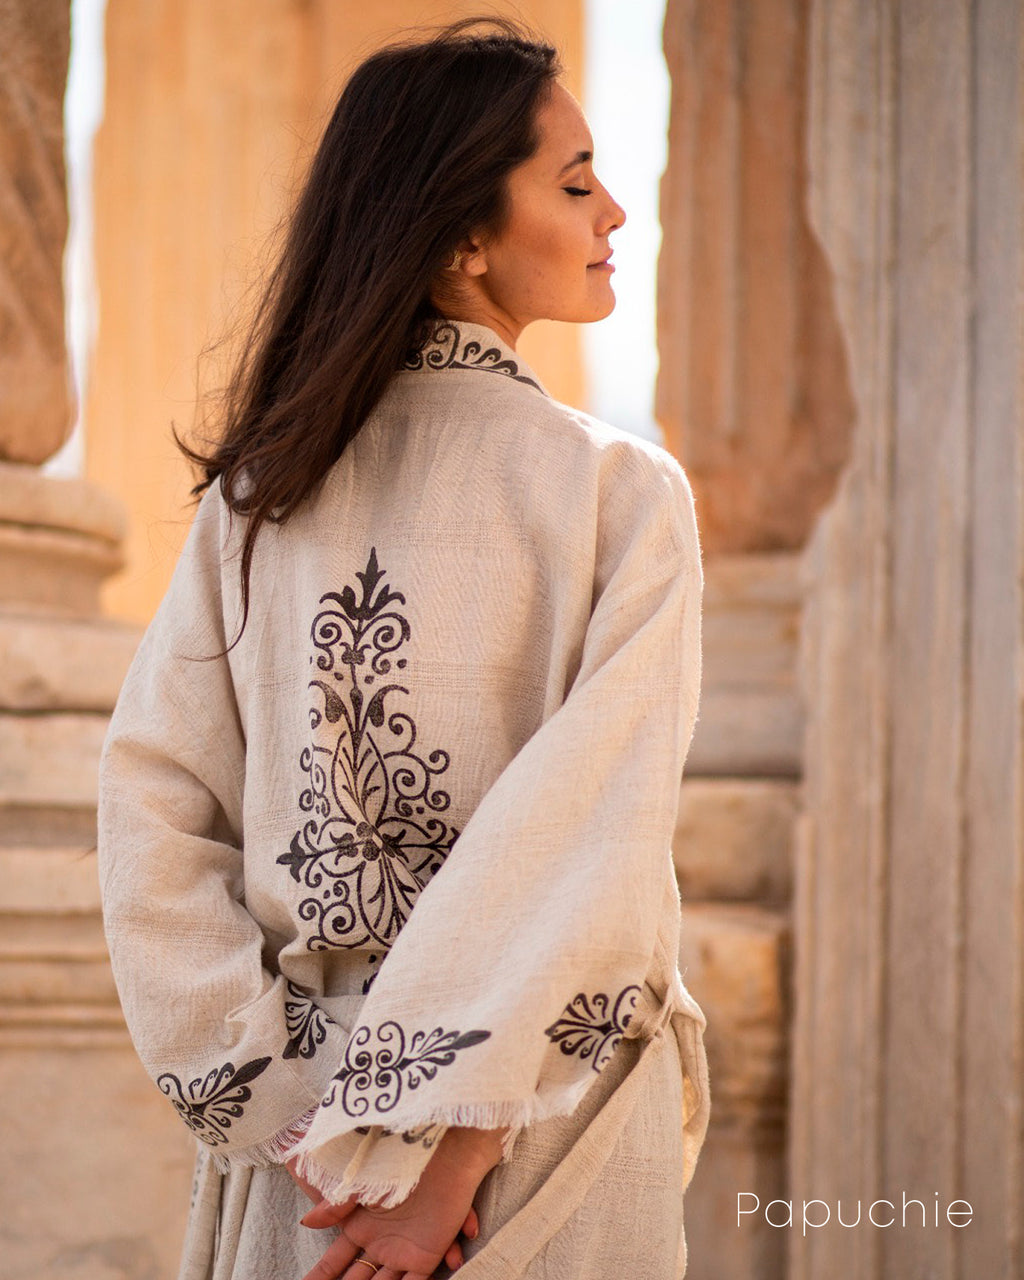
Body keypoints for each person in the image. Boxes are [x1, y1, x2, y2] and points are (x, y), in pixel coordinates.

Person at [96, 16, 710, 1280]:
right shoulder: (618, 494)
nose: (615, 212)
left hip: (308, 1155)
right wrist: (440, 1161)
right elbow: (594, 844)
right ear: (461, 236)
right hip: (537, 1131)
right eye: (576, 183)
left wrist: (292, 1116)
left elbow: (150, 807)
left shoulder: (259, 500)